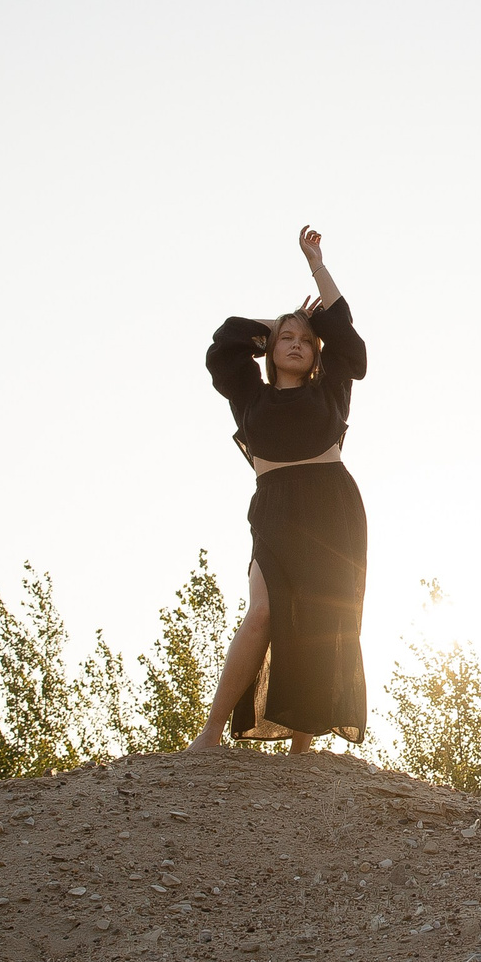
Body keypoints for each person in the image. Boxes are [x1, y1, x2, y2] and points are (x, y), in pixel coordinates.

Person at [186, 225, 369, 753]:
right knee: (263, 612)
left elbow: (352, 350)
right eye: (287, 340)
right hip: (275, 506)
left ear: (317, 355)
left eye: (306, 342)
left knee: (320, 618)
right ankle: (210, 733)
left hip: (332, 506)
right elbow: (222, 345)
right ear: (269, 350)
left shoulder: (332, 385)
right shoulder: (248, 393)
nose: (297, 345)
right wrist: (282, 322)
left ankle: (301, 748)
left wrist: (317, 267)